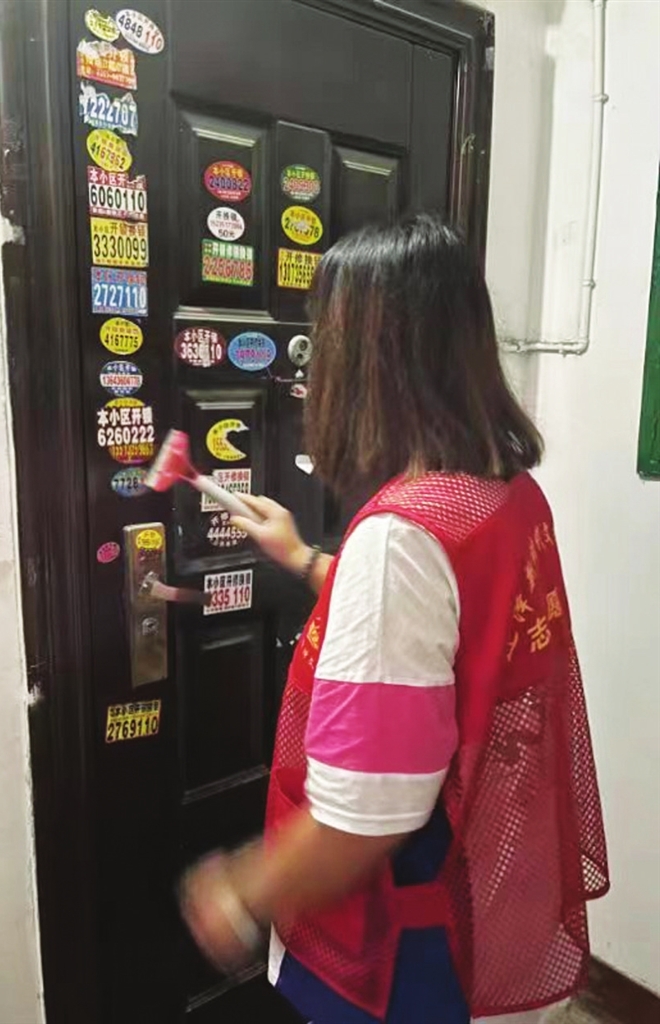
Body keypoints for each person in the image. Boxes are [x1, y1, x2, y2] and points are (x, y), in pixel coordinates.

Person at [180, 217, 609, 1024]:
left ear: (369, 359)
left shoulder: (401, 539)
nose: (312, 362)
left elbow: (363, 818)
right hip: (475, 899)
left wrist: (239, 891)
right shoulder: (505, 495)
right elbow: (443, 636)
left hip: (400, 948)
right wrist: (304, 557)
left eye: (324, 336)